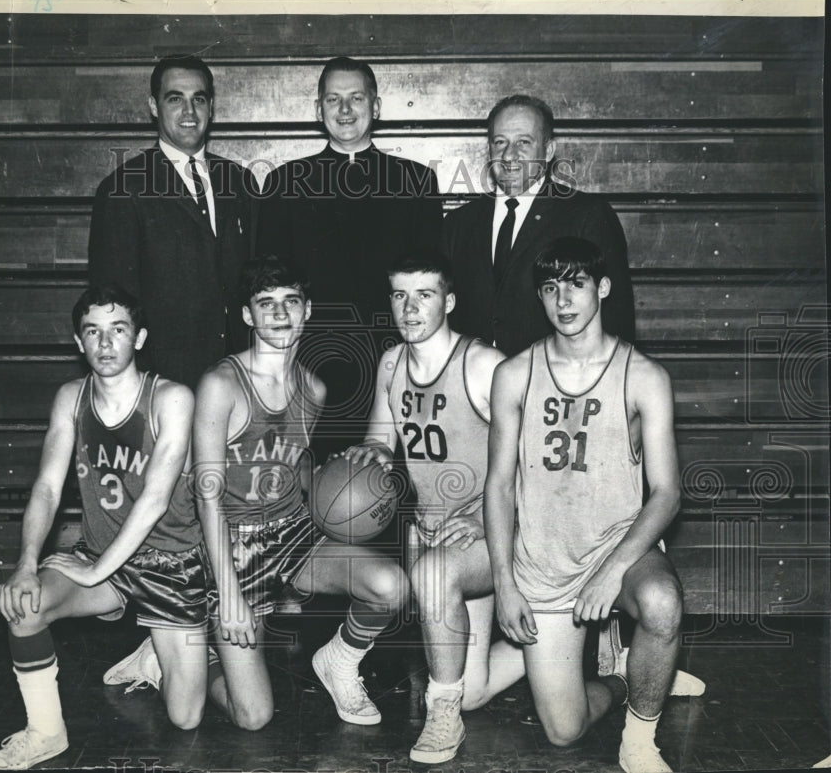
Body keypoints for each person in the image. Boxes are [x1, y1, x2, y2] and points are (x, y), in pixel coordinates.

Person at [102, 257, 410, 730]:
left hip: (290, 534)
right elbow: (206, 494)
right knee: (253, 717)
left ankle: (340, 661)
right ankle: (163, 660)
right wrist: (228, 594)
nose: (280, 313)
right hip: (230, 543)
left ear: (307, 311)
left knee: (390, 586)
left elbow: (297, 462)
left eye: (290, 302)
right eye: (266, 304)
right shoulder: (222, 385)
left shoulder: (314, 386)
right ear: (248, 316)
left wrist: (349, 473)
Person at [0, 286, 209, 769]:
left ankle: (154, 652)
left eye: (118, 330)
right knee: (25, 605)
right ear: (78, 341)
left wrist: (93, 571)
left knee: (186, 718)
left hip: (171, 564)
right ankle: (46, 731)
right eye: (93, 332)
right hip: (101, 558)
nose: (106, 344)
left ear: (140, 338)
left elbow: (155, 499)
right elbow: (46, 486)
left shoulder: (172, 398)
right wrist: (25, 563)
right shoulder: (71, 398)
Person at [484, 237, 683, 772]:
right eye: (551, 288)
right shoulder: (514, 374)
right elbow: (499, 485)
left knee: (663, 604)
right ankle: (623, 677)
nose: (563, 300)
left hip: (622, 548)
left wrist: (611, 572)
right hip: (545, 560)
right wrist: (505, 582)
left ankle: (639, 740)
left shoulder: (644, 376)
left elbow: (667, 494)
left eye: (576, 284)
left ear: (604, 288)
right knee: (563, 732)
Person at [344, 252, 519, 763]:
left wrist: (481, 515)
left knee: (434, 578)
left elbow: (535, 462)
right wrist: (368, 455)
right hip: (436, 533)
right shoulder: (392, 363)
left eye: (424, 294)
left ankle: (441, 716)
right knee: (475, 690)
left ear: (450, 301)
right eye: (399, 295)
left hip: (491, 533)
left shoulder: (485, 365)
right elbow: (381, 439)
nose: (410, 307)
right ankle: (562, 639)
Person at [256, 56, 443, 457]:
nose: (344, 110)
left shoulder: (415, 182)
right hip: (310, 367)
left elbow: (432, 289)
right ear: (318, 109)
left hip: (393, 364)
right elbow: (266, 288)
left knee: (389, 487)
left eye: (356, 98)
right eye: (333, 99)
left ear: (375, 107)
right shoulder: (284, 184)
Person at [88, 55, 254, 389]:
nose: (189, 113)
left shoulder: (239, 181)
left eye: (199, 100)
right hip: (164, 381)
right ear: (153, 105)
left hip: (239, 377)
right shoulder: (124, 189)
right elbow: (112, 301)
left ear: (212, 107)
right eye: (175, 99)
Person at [444, 94, 636, 357]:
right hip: (472, 388)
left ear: (547, 151)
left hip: (555, 387)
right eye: (500, 142)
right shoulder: (459, 223)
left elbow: (616, 319)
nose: (509, 155)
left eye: (523, 142)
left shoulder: (587, 215)